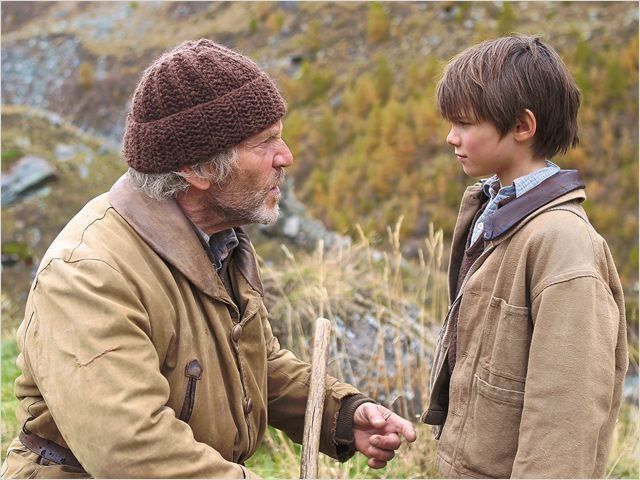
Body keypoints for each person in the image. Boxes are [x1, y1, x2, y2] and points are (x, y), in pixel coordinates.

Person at [1, 39, 416, 478]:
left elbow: (251, 363)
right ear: (196, 169)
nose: (286, 156)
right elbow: (133, 451)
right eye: (264, 141)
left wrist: (341, 413)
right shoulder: (88, 275)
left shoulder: (219, 241)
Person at [421, 35, 628, 478]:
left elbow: (565, 411)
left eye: (464, 123)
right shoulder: (492, 212)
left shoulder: (562, 244)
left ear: (521, 126)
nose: (449, 136)